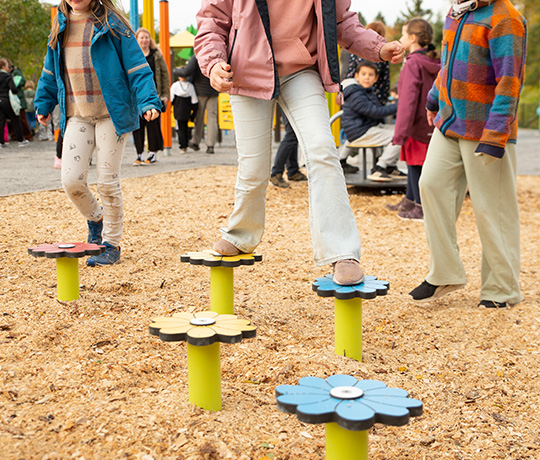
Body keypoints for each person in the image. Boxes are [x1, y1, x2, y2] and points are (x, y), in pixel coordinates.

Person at [194, 0, 405, 285]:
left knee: (322, 150)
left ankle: (342, 251)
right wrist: (213, 62)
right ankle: (240, 233)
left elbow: (342, 22)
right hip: (246, 69)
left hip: (300, 70)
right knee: (254, 166)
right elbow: (213, 19)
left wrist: (377, 47)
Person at [409, 0, 527, 308]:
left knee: (493, 210)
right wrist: (434, 99)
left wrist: (496, 134)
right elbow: (447, 65)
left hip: (487, 128)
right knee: (430, 184)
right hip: (451, 121)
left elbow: (510, 83)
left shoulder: (506, 18)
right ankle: (445, 273)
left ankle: (502, 290)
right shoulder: (457, 12)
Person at [34, 0, 161, 266]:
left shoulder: (112, 23)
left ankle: (111, 243)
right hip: (78, 114)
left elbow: (137, 66)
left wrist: (149, 100)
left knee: (107, 183)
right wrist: (44, 103)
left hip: (110, 115)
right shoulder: (60, 23)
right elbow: (50, 69)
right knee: (71, 181)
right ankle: (96, 219)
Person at [386, 18, 440, 220]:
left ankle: (420, 207)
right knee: (414, 163)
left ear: (413, 38)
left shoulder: (412, 64)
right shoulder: (434, 61)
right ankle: (410, 200)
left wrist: (400, 132)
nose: (400, 38)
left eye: (403, 34)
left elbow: (407, 101)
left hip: (415, 123)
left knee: (415, 164)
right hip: (430, 121)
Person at [339, 60, 402, 179]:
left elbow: (376, 110)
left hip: (363, 128)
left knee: (400, 129)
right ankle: (380, 167)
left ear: (376, 78)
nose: (367, 77)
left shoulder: (366, 91)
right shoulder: (356, 94)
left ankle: (390, 167)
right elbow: (375, 112)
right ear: (356, 76)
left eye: (370, 75)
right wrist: (399, 105)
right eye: (363, 74)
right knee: (400, 135)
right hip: (360, 131)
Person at [132, 27, 170, 165]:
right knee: (138, 126)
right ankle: (139, 154)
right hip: (136, 97)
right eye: (141, 37)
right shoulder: (133, 56)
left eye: (146, 37)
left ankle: (152, 153)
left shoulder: (156, 55)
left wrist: (165, 94)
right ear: (136, 40)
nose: (144, 40)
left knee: (153, 125)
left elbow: (164, 75)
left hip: (154, 95)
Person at [346, 21, 391, 106]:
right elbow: (385, 81)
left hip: (355, 97)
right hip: (374, 98)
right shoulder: (383, 56)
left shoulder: (356, 51)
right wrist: (381, 100)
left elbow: (350, 75)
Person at [182, 55, 220, 154]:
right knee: (212, 117)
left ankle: (195, 141)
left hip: (200, 91)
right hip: (214, 90)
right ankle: (210, 145)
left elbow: (187, 71)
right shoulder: (216, 54)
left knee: (199, 117)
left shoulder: (197, 57)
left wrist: (175, 71)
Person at [269, 110, 307, 188]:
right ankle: (276, 173)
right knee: (291, 134)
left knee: (294, 134)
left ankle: (293, 171)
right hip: (289, 100)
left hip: (293, 100)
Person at [0, 58, 28, 148]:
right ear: (3, 66)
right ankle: (20, 140)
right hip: (7, 100)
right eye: (8, 66)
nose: (9, 68)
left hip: (0, 101)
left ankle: (1, 142)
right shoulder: (8, 77)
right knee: (16, 119)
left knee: (1, 121)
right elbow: (14, 89)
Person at [171, 67, 198, 153]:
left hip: (178, 110)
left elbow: (171, 100)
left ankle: (182, 146)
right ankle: (186, 143)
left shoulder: (175, 86)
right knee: (186, 127)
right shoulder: (190, 86)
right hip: (187, 110)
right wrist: (193, 114)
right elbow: (194, 102)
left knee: (180, 128)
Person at [5, 59, 34, 142]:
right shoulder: (6, 74)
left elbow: (23, 81)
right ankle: (14, 136)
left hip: (18, 98)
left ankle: (28, 135)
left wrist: (13, 83)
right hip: (9, 98)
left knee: (22, 118)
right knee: (13, 118)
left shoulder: (16, 72)